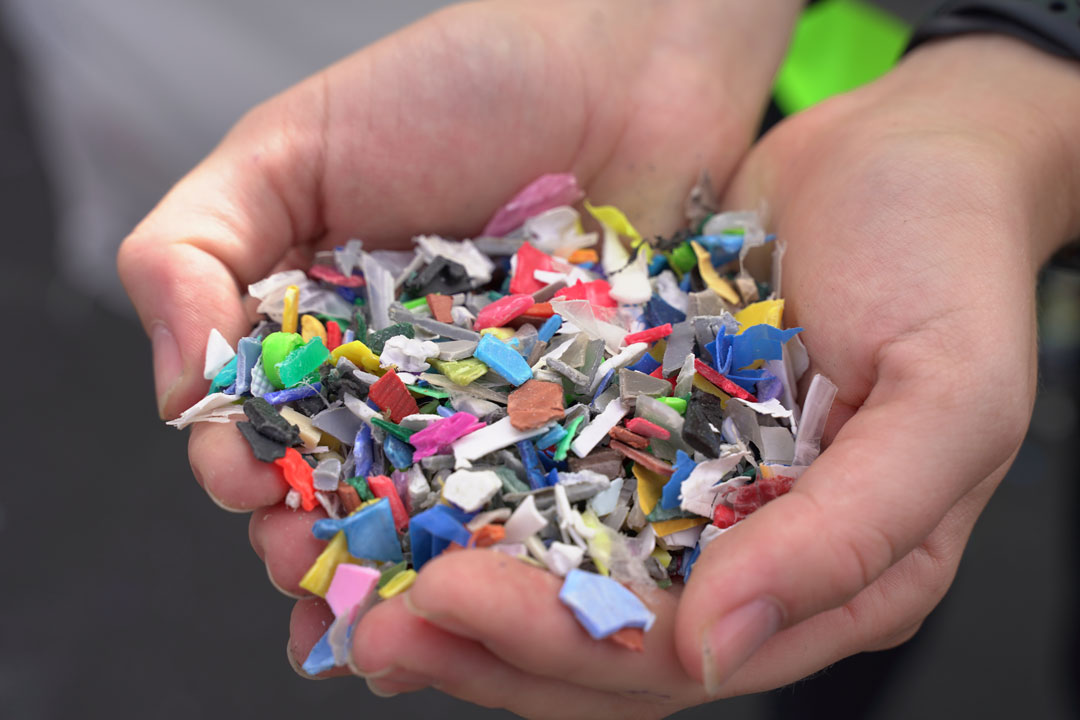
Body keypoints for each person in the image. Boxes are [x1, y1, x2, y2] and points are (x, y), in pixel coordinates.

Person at [117, 0, 1080, 715]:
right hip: (775, 84)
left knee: (868, 516)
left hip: (918, 174)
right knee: (833, 559)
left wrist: (1028, 75)